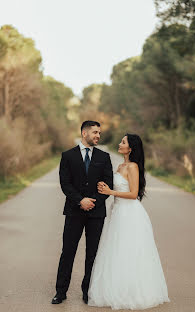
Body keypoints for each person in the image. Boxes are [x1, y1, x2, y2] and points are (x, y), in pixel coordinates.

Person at [88, 134, 170, 310]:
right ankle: (117, 289)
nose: (119, 143)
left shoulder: (132, 167)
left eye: (123, 142)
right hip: (117, 212)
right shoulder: (120, 166)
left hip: (130, 214)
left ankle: (132, 292)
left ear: (131, 148)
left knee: (129, 251)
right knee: (116, 251)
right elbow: (116, 187)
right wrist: (103, 187)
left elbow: (133, 194)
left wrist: (110, 192)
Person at [51, 120, 113, 304]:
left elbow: (108, 184)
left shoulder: (104, 157)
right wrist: (80, 200)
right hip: (73, 211)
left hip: (96, 213)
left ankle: (88, 292)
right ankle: (60, 292)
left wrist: (93, 202)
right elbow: (65, 183)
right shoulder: (68, 156)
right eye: (95, 132)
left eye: (99, 133)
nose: (98, 136)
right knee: (68, 252)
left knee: (92, 254)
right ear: (84, 133)